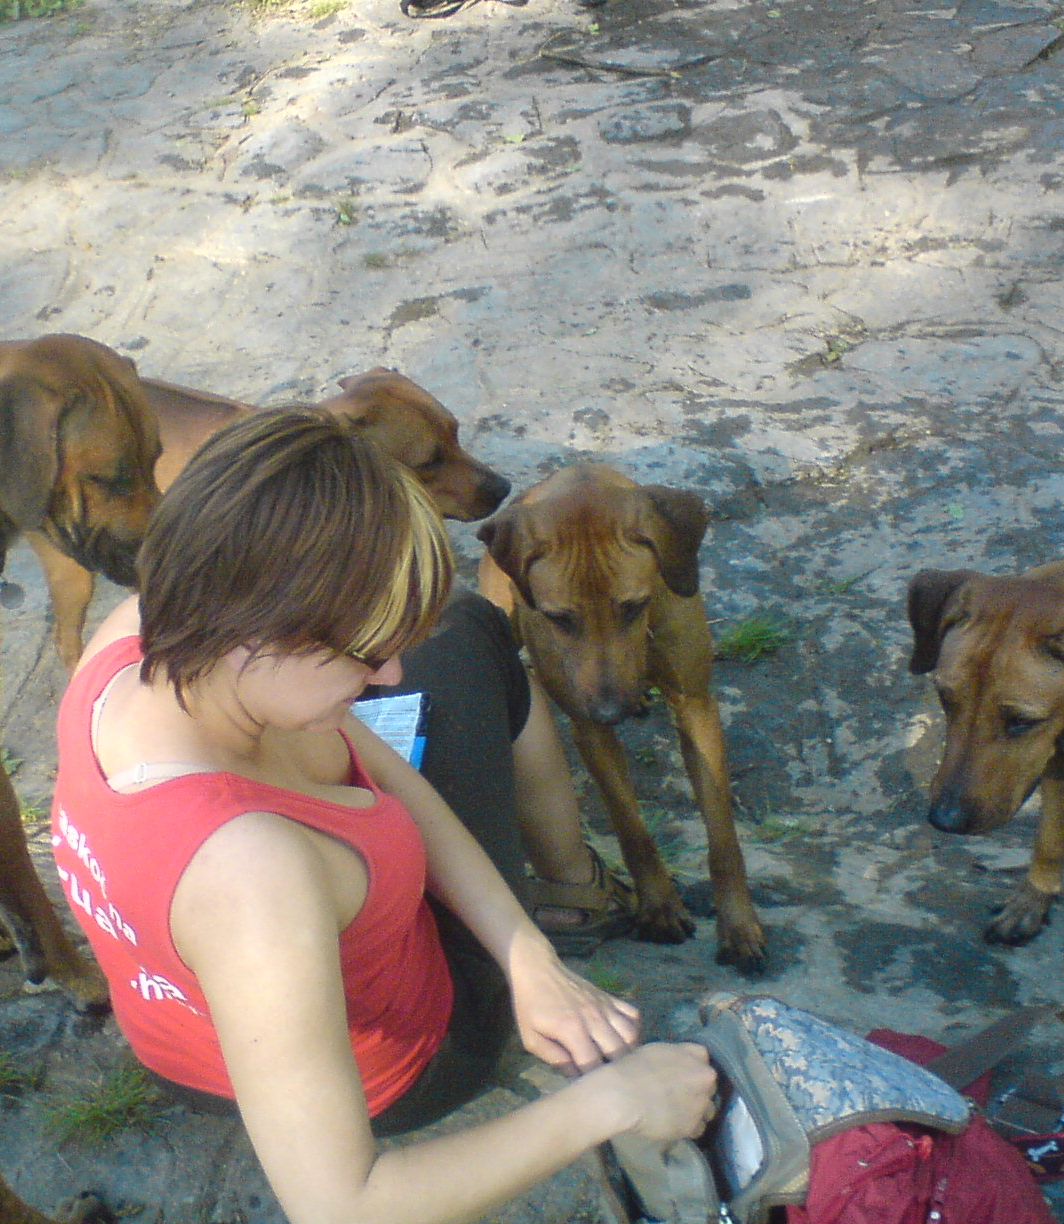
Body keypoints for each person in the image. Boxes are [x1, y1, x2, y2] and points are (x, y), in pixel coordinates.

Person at [50, 408, 717, 1224]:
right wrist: (613, 1103)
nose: (392, 673)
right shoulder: (252, 874)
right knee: (471, 636)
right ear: (256, 632)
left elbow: (389, 778)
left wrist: (527, 955)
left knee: (455, 634)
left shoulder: (139, 636)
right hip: (402, 1067)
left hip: (192, 1043)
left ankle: (559, 906)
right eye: (367, 652)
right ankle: (576, 883)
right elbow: (343, 1205)